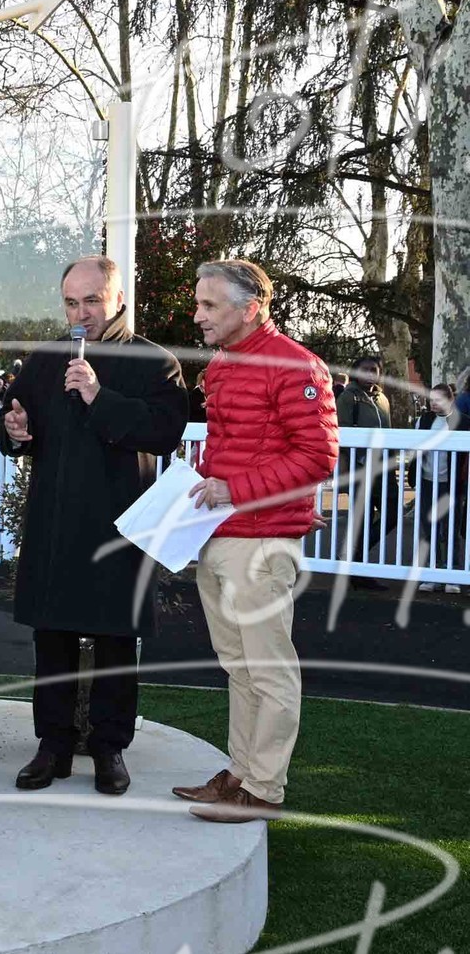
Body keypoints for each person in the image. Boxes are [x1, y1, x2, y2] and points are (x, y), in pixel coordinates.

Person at [0, 256, 188, 795]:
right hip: (55, 521)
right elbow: (10, 425)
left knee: (114, 641)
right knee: (52, 637)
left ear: (118, 299)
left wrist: (100, 397)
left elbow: (164, 432)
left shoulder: (155, 362)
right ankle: (52, 745)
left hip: (119, 524)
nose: (81, 314)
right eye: (71, 303)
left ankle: (109, 747)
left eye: (92, 301)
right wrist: (13, 429)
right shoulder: (45, 360)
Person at [177, 259, 338, 822]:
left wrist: (238, 490)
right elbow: (240, 450)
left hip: (261, 543)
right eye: (198, 304)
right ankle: (241, 775)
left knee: (268, 670)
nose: (197, 316)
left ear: (250, 309)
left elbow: (317, 456)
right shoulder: (223, 363)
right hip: (220, 535)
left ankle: (264, 791)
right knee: (238, 667)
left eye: (209, 305)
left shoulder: (295, 364)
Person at [335, 355, 393, 587]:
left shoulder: (383, 399)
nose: (370, 373)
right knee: (363, 518)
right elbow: (342, 434)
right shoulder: (348, 397)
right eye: (365, 369)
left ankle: (352, 558)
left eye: (374, 370)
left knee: (392, 514)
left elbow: (389, 433)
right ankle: (357, 570)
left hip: (384, 468)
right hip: (359, 468)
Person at [408, 384, 469, 594]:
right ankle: (432, 574)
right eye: (431, 400)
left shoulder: (464, 422)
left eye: (439, 400)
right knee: (429, 529)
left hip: (452, 484)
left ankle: (451, 575)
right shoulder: (423, 420)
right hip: (427, 482)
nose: (434, 404)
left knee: (451, 529)